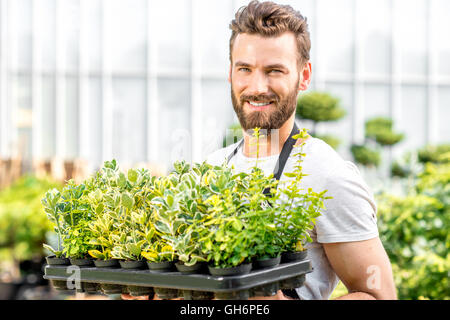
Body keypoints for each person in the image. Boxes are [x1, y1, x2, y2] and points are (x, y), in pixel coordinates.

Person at [122, 0, 397, 300]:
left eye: (274, 70)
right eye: (245, 69)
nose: (257, 86)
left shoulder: (327, 176)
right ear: (230, 72)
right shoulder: (211, 169)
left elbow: (379, 295)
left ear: (303, 76)